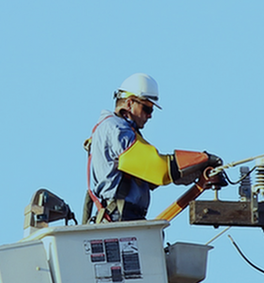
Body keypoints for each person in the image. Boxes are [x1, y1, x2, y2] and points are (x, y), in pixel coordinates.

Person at [84, 73, 221, 223]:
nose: (150, 116)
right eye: (147, 108)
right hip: (120, 217)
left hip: (124, 216)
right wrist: (203, 159)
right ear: (129, 103)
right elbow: (158, 168)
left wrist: (193, 170)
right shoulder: (117, 129)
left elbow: (150, 178)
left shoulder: (120, 130)